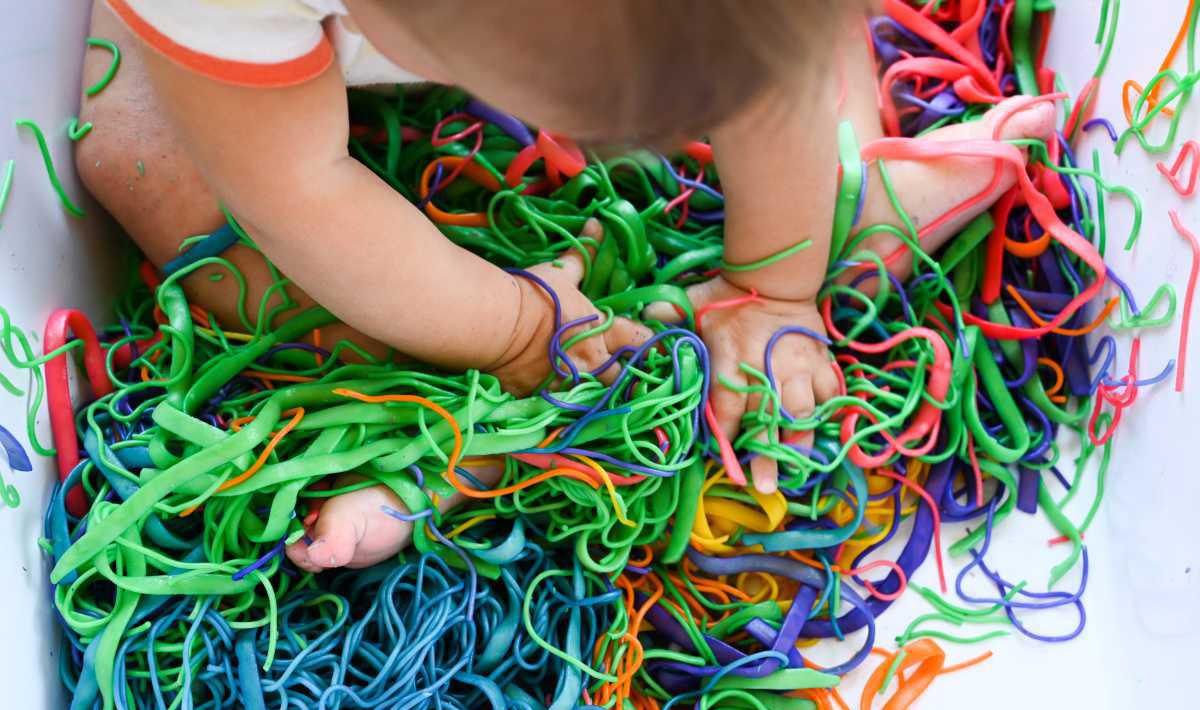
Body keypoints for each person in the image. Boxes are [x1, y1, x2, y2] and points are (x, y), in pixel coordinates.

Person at [76, 0, 1055, 572]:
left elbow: (762, 54)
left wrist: (777, 280)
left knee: (762, 43)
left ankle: (838, 195)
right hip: (209, 41)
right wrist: (507, 326)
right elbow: (302, 193)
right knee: (141, 168)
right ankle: (457, 433)